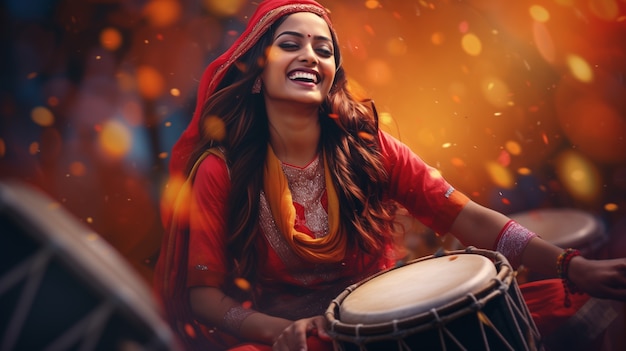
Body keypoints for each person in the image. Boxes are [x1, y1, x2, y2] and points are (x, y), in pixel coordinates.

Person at [153, 0, 626, 350]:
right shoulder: (222, 170)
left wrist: (572, 265)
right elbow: (205, 299)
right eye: (290, 44)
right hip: (304, 338)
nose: (310, 55)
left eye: (323, 48)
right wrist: (281, 331)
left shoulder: (366, 146)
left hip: (392, 319)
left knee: (572, 301)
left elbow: (470, 219)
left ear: (332, 73)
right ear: (257, 71)